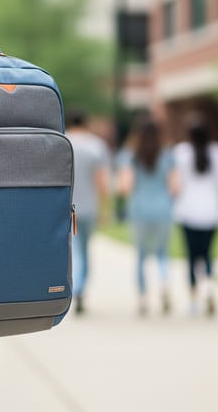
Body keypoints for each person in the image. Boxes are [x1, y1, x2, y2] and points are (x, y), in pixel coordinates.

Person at [173, 117, 218, 316]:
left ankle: (193, 299)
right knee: (207, 254)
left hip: (188, 212)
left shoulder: (181, 153)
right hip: (211, 212)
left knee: (191, 256)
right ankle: (209, 289)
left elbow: (176, 185)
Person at [118, 118, 177, 316]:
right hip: (163, 210)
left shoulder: (130, 156)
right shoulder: (168, 155)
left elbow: (125, 188)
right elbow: (175, 188)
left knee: (142, 256)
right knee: (162, 253)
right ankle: (164, 283)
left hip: (139, 210)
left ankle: (143, 299)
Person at [65, 109, 110, 315]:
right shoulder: (96, 146)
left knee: (73, 249)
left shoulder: (61, 143)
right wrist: (105, 209)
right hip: (89, 207)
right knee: (84, 250)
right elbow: (102, 182)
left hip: (66, 207)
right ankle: (81, 287)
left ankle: (76, 286)